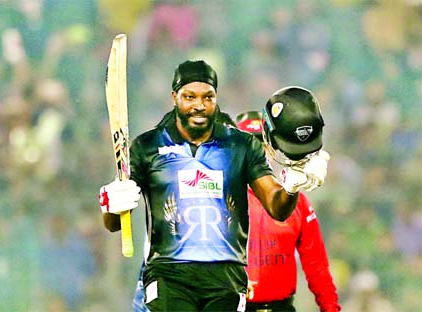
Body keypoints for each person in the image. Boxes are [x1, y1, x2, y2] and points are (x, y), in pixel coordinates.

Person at [98, 60, 327, 311]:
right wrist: (113, 204)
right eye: (189, 97)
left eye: (208, 97)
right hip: (168, 273)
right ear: (174, 97)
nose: (199, 105)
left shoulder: (241, 145)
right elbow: (114, 224)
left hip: (226, 276)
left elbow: (277, 207)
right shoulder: (147, 147)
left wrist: (292, 185)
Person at [235, 105, 340, 311]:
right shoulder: (218, 199)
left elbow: (316, 266)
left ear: (272, 149)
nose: (255, 149)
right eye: (248, 142)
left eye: (261, 142)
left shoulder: (295, 201)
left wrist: (331, 308)